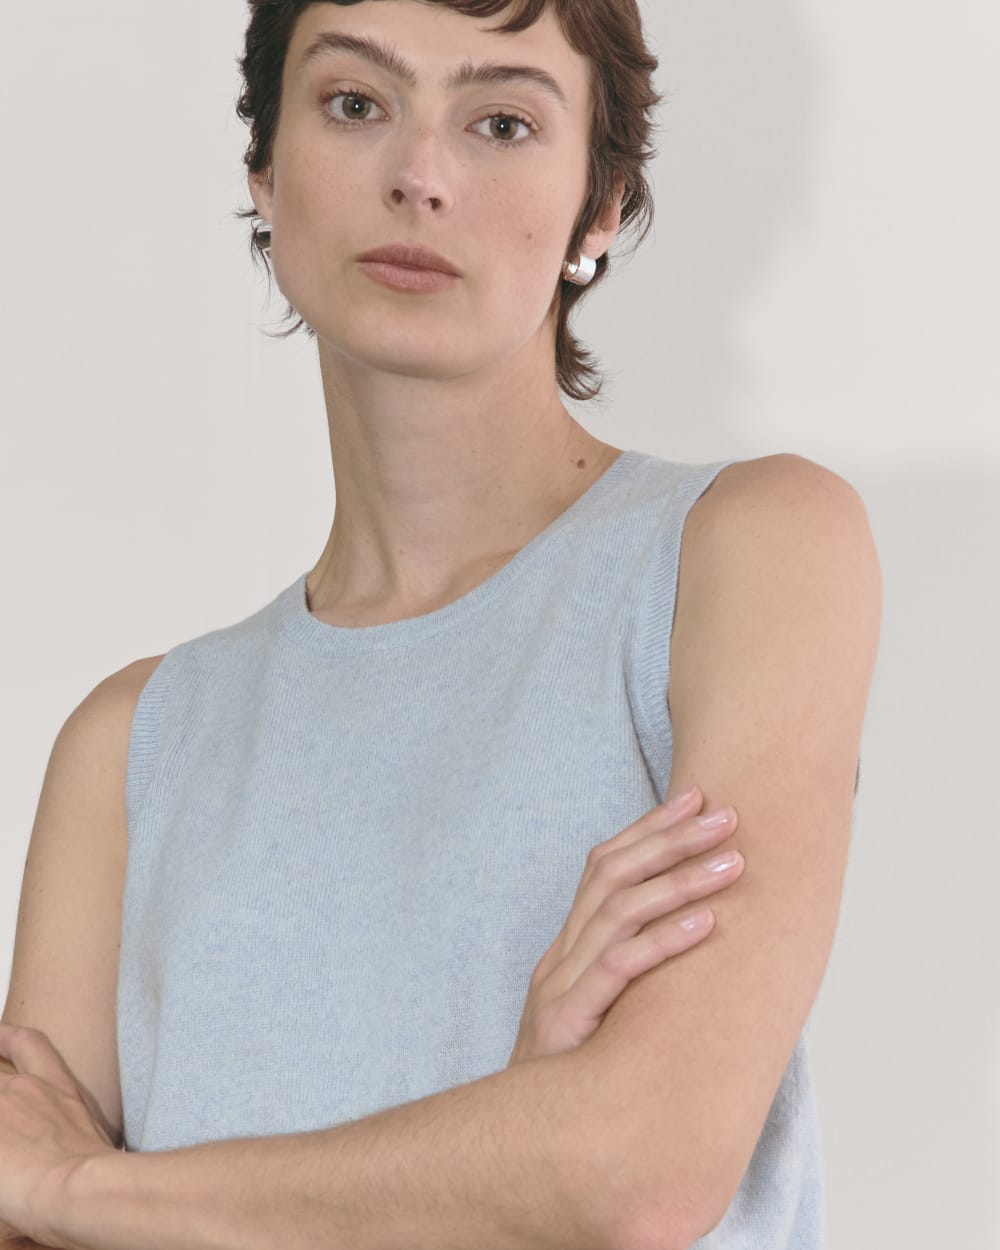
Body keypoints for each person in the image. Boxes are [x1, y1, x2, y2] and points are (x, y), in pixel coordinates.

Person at [0, 2, 881, 1247]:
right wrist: (509, 1143)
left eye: (502, 122)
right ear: (264, 164)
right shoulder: (133, 742)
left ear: (600, 204)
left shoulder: (743, 553)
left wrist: (84, 1191)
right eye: (355, 103)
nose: (419, 175)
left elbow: (640, 1166)